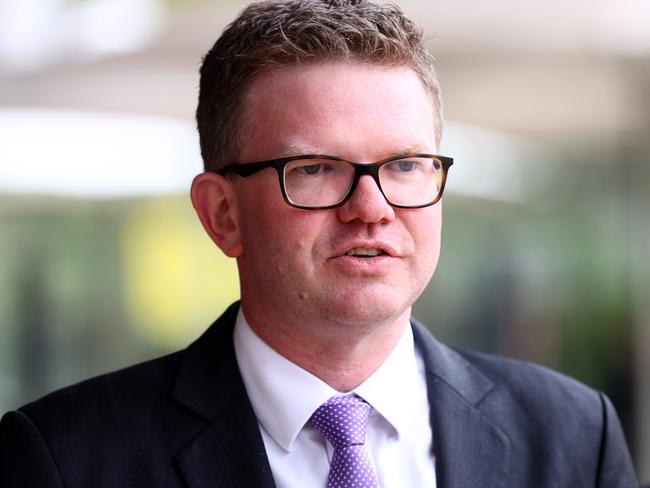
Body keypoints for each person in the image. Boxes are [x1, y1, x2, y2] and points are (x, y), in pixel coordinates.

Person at [0, 0, 638, 486]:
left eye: (407, 165)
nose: (372, 208)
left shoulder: (574, 436)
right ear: (222, 214)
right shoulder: (63, 459)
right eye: (315, 169)